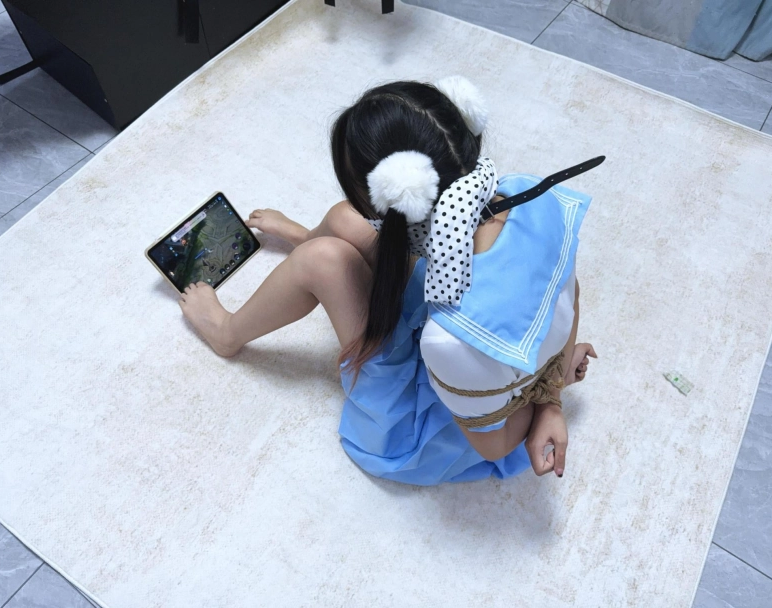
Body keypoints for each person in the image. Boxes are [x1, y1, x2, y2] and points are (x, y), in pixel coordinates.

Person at [178, 76, 597, 485]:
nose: (369, 212)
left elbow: (495, 445)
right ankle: (306, 240)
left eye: (372, 203)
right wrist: (552, 366)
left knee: (322, 260)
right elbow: (569, 292)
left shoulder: (452, 344)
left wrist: (549, 396)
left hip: (422, 414)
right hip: (458, 324)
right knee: (342, 219)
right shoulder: (536, 202)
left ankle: (227, 333)